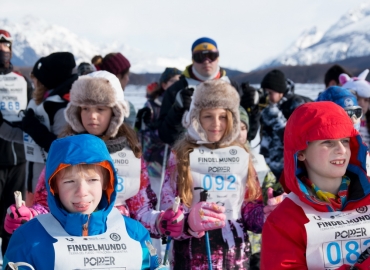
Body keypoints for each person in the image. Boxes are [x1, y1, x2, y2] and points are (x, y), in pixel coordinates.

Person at [4, 71, 185, 261]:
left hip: (119, 248)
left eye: (100, 109)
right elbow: (46, 204)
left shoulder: (131, 155)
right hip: (68, 248)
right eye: (85, 109)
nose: (92, 116)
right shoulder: (63, 151)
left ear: (115, 112)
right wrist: (27, 216)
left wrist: (160, 221)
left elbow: (141, 210)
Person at [3, 134, 157, 270]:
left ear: (106, 183)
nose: (82, 192)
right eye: (69, 181)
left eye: (92, 180)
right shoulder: (29, 238)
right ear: (54, 186)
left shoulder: (135, 235)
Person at [160, 80, 269, 269]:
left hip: (235, 256)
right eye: (208, 116)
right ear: (196, 118)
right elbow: (167, 208)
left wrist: (266, 215)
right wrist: (188, 223)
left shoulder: (240, 154)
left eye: (223, 117)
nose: (216, 124)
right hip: (192, 256)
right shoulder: (182, 155)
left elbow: (250, 208)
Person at [260, 101, 370, 269]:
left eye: (345, 141)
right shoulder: (283, 220)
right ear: (301, 152)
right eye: (328, 142)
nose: (341, 149)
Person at [0, 52, 77, 201]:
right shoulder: (40, 104)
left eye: (36, 79)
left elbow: (63, 151)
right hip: (32, 186)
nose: (33, 83)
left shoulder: (62, 108)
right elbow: (23, 137)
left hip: (52, 190)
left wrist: (35, 128)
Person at [156, 37, 261, 146]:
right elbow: (165, 136)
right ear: (192, 59)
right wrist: (177, 110)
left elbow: (249, 134)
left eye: (211, 55)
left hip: (229, 156)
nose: (206, 61)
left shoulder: (233, 87)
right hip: (189, 156)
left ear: (218, 57)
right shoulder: (177, 90)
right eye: (199, 57)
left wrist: (253, 110)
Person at [0, 29, 33, 257]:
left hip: (20, 159)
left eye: (6, 47)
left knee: (14, 215)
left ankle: (10, 261)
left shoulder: (22, 81)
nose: (3, 52)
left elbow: (32, 112)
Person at [238, 106, 283, 270]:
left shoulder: (256, 159)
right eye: (234, 128)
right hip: (229, 243)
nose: (239, 133)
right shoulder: (213, 162)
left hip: (256, 242)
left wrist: (277, 194)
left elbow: (271, 185)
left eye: (243, 128)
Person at [135, 67, 182, 199]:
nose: (176, 84)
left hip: (177, 163)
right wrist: (158, 129)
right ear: (164, 84)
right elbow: (143, 135)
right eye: (173, 80)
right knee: (156, 198)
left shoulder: (185, 104)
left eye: (179, 80)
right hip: (156, 163)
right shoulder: (152, 105)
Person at [259, 69, 312, 180]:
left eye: (270, 93)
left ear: (280, 92)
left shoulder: (297, 104)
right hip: (269, 165)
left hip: (290, 168)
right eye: (264, 92)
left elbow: (298, 138)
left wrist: (274, 116)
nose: (266, 97)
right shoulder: (267, 106)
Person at [96, 52, 136, 128]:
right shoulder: (127, 108)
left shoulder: (88, 101)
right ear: (117, 76)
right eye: (127, 75)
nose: (128, 79)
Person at [340, 69, 370, 147]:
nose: (362, 104)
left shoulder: (368, 122)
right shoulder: (340, 124)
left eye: (366, 100)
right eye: (357, 99)